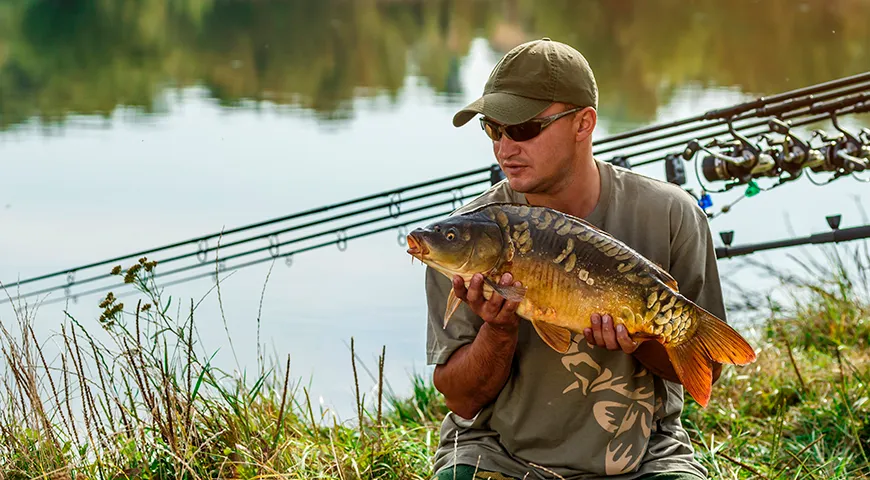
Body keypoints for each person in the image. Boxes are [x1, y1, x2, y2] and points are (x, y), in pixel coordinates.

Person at [424, 37, 726, 480]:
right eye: (494, 128)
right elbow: (460, 400)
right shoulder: (466, 239)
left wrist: (640, 338)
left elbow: (705, 371)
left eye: (523, 128)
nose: (505, 148)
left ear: (583, 123)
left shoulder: (670, 213)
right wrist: (498, 328)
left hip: (641, 454)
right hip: (497, 452)